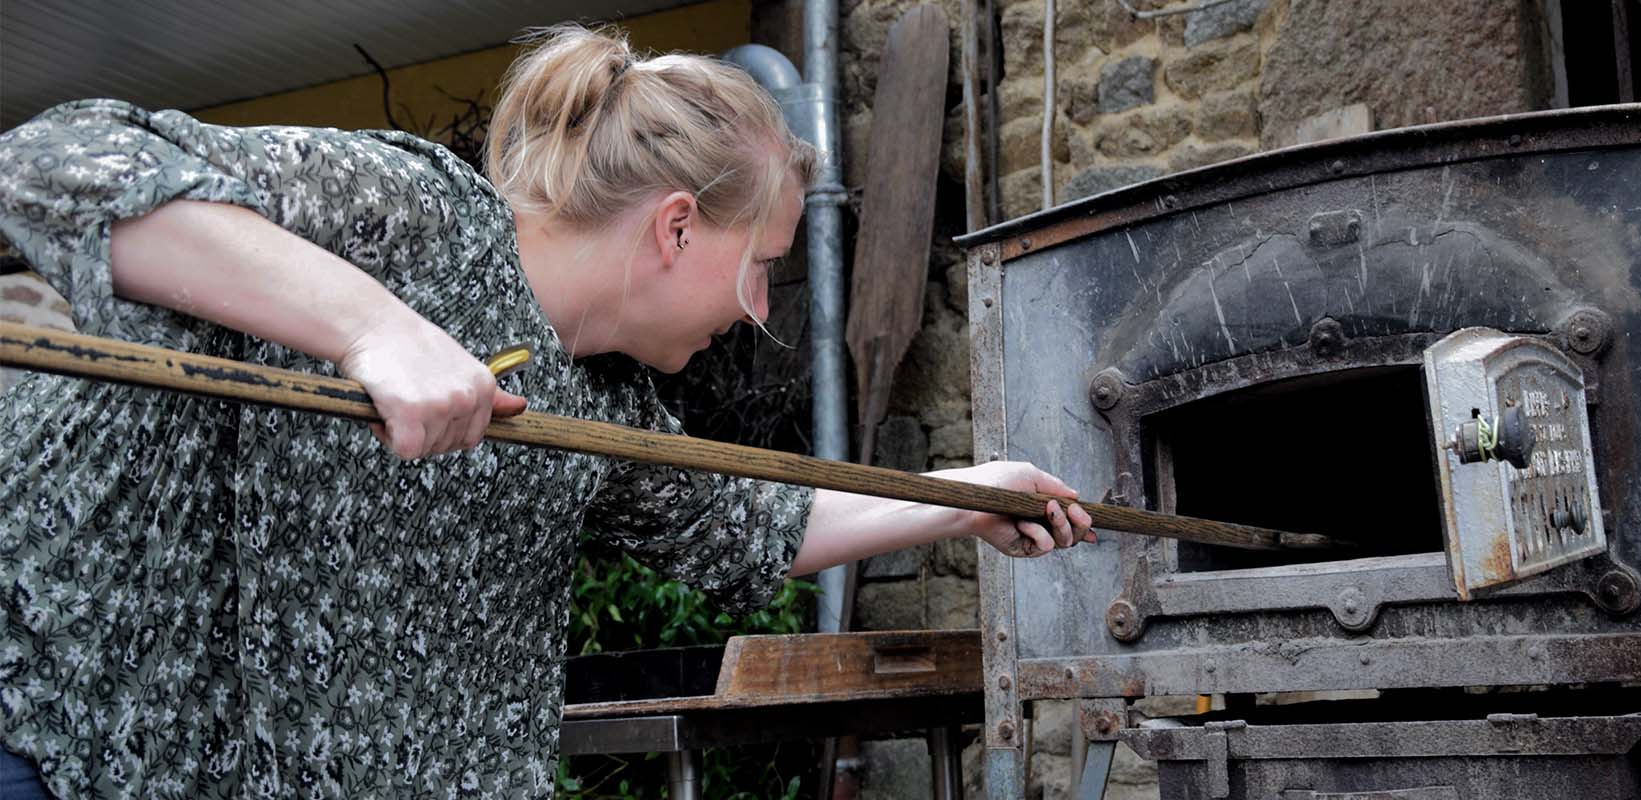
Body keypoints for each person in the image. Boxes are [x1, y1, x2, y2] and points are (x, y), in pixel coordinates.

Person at [0, 24, 1093, 798]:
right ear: (675, 229)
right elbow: (57, 166)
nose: (759, 311)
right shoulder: (420, 217)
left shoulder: (593, 396)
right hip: (57, 719)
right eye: (760, 267)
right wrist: (372, 326)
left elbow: (763, 523)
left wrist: (966, 496)